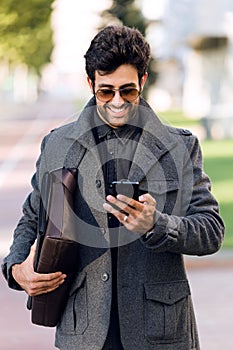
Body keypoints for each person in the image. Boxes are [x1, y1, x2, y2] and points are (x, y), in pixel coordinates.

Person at [2, 25, 224, 350]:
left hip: (160, 334)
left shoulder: (180, 147)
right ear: (90, 83)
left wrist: (156, 224)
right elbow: (30, 219)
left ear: (143, 82)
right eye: (106, 92)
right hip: (83, 331)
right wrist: (15, 268)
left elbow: (211, 231)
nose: (117, 102)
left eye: (128, 91)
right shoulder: (57, 144)